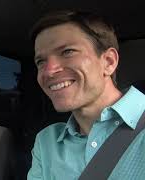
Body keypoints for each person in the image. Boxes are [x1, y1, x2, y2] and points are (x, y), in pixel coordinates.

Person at [27, 10, 145, 179]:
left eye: (68, 52)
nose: (49, 71)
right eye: (41, 61)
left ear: (108, 62)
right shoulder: (47, 142)